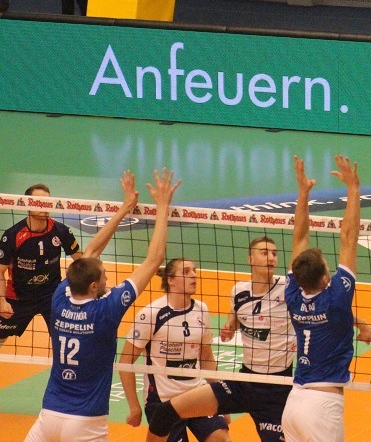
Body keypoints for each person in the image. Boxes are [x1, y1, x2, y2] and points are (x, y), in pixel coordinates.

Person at [146, 231, 371, 442]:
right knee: (164, 412)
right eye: (264, 253)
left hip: (277, 387)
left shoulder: (288, 288)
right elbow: (237, 314)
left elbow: (330, 309)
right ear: (250, 259)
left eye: (274, 253)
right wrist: (231, 324)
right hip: (246, 382)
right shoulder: (239, 291)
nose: (271, 258)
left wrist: (361, 324)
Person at [25, 168, 181, 442]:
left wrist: (125, 208)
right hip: (86, 423)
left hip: (48, 417)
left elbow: (91, 253)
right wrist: (162, 207)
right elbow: (154, 260)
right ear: (94, 286)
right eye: (104, 276)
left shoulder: (60, 297)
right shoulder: (106, 310)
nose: (108, 278)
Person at [280, 154, 361, 442]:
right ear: (326, 278)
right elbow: (349, 236)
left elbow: (299, 237)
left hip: (294, 402)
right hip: (322, 406)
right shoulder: (336, 298)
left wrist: (303, 192)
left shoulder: (292, 293)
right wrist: (353, 188)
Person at [0, 176, 130, 349]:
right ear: (27, 205)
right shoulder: (13, 235)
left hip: (51, 295)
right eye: (39, 202)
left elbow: (84, 260)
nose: (44, 207)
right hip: (19, 296)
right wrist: (2, 301)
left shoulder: (60, 231)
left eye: (48, 202)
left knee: (64, 338)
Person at [119, 258, 229, 442]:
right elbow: (125, 362)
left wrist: (222, 401)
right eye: (186, 272)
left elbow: (207, 359)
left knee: (221, 438)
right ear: (170, 280)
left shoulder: (201, 310)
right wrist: (134, 407)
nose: (194, 275)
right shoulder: (151, 314)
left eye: (194, 270)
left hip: (196, 394)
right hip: (163, 401)